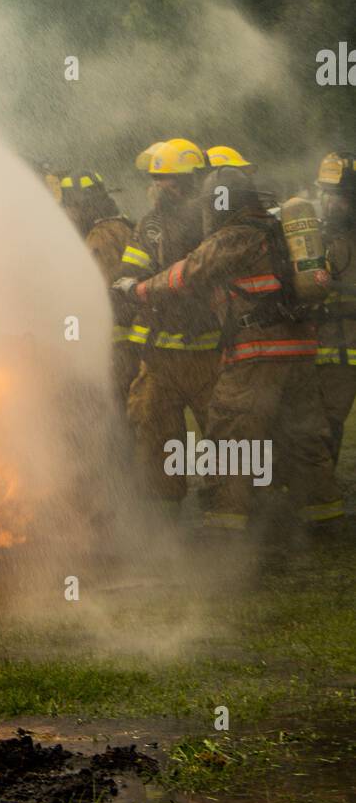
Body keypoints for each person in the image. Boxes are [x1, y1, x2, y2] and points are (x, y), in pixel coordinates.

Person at [114, 167, 344, 532]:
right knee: (303, 435)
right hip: (299, 350)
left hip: (257, 351)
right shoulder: (278, 230)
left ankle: (225, 522)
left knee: (228, 434)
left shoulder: (234, 237)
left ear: (221, 204)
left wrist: (137, 290)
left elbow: (187, 273)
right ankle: (324, 514)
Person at [117, 139, 220, 511]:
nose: (162, 187)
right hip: (160, 356)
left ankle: (228, 508)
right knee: (153, 429)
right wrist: (128, 287)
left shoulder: (213, 222)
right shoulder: (149, 225)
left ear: (192, 181)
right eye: (158, 179)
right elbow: (130, 271)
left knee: (223, 433)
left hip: (209, 352)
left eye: (171, 180)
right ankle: (162, 511)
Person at [60, 171, 138, 406]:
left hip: (115, 343)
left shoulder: (101, 237)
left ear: (79, 205)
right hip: (127, 338)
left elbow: (96, 293)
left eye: (69, 208)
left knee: (116, 408)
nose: (67, 215)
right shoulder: (120, 226)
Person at [315, 151, 356, 465]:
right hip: (334, 351)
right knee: (324, 425)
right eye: (326, 194)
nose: (330, 204)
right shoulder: (317, 238)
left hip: (345, 345)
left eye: (339, 197)